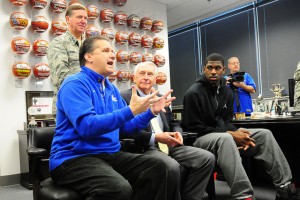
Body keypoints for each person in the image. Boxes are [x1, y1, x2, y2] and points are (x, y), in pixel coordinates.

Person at [49, 35, 176, 200]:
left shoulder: (111, 89)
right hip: (73, 159)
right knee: (118, 189)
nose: (112, 55)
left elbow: (126, 128)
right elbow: (87, 127)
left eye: (112, 51)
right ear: (88, 57)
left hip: (108, 155)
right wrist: (131, 110)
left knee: (159, 167)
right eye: (106, 50)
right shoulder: (74, 84)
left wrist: (151, 113)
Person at [182, 53, 300, 200]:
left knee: (264, 134)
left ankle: (285, 187)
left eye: (217, 68)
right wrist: (231, 134)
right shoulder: (193, 93)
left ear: (223, 70)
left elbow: (225, 121)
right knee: (226, 138)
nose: (213, 71)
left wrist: (236, 131)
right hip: (200, 140)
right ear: (204, 69)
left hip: (222, 135)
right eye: (209, 68)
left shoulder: (227, 92)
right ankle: (244, 195)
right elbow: (193, 128)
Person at [120, 61, 215, 200]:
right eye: (142, 73)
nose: (146, 77)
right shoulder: (125, 97)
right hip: (145, 147)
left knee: (207, 158)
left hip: (170, 144)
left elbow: (174, 123)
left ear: (155, 79)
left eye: (150, 74)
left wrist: (178, 134)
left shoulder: (160, 97)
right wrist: (156, 137)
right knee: (171, 166)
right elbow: (125, 130)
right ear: (134, 78)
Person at [47, 3, 88, 116]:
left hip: (90, 105)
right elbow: (61, 77)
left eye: (85, 18)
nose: (83, 21)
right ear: (68, 19)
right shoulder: (59, 43)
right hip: (68, 107)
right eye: (79, 17)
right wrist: (89, 88)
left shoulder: (89, 45)